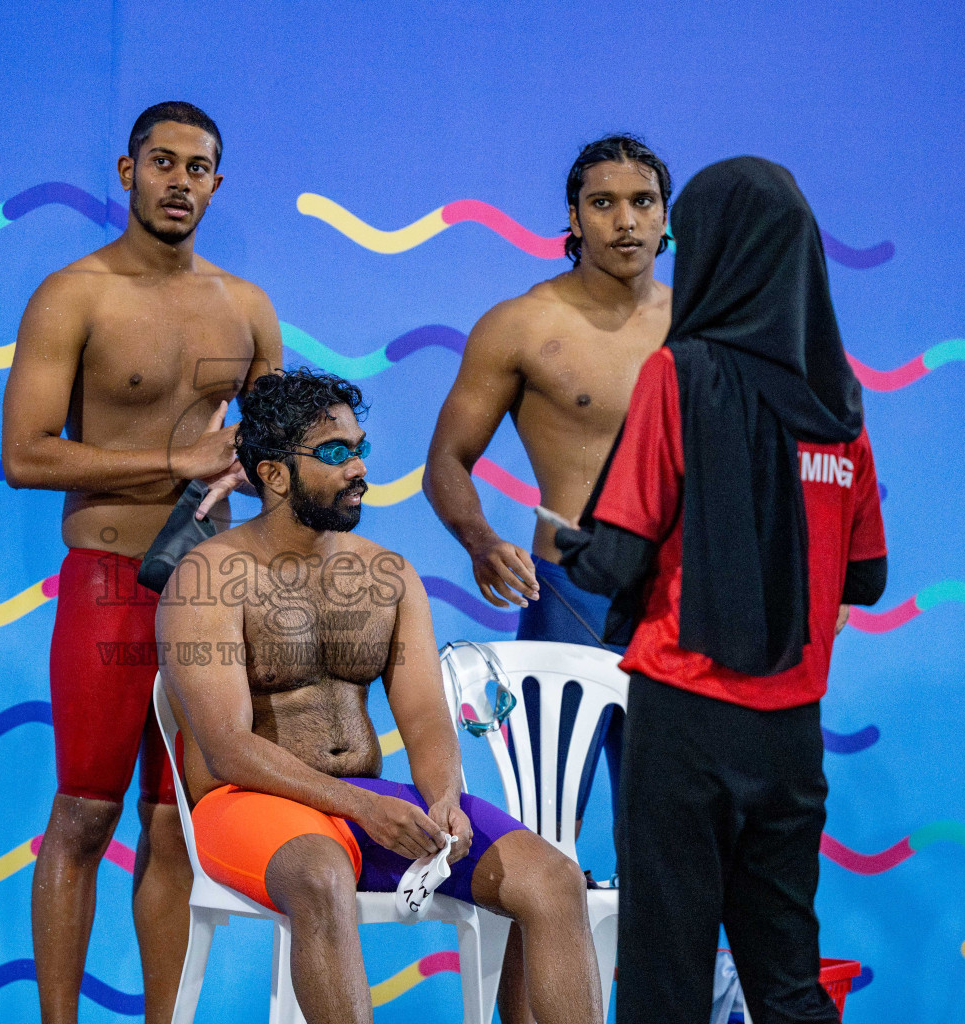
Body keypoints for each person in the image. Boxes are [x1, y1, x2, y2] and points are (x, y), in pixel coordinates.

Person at [157, 368, 601, 1024]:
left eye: (361, 447)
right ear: (275, 474)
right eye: (337, 453)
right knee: (321, 876)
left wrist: (445, 797)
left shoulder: (386, 575)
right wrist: (363, 806)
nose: (359, 467)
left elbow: (423, 716)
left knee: (552, 880)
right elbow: (227, 748)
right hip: (250, 804)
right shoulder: (210, 577)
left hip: (369, 805)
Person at [554, 156, 888, 1023]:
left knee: (668, 972)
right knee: (787, 977)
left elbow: (618, 555)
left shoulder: (682, 374)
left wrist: (560, 538)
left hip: (686, 717)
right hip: (793, 732)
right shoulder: (838, 401)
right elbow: (867, 575)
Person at [2, 101, 281, 1023]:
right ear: (127, 173)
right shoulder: (74, 295)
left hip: (212, 602)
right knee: (84, 815)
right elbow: (26, 455)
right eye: (161, 163)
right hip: (110, 585)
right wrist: (176, 460)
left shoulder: (247, 307)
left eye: (197, 167)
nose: (178, 181)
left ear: (218, 184)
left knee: (176, 825)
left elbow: (276, 463)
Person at [424, 134, 672, 1021]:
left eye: (642, 201)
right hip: (571, 604)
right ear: (572, 217)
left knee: (671, 848)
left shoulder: (697, 325)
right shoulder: (523, 325)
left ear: (665, 214)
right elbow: (446, 460)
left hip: (677, 612)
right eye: (603, 203)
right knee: (546, 849)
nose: (625, 219)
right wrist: (481, 537)